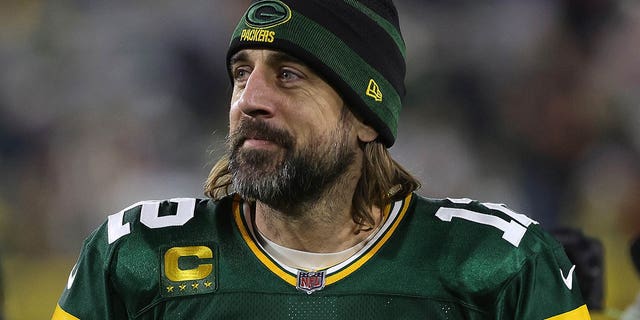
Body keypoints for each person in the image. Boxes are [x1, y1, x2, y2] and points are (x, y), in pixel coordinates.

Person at [52, 0, 592, 319]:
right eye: (243, 71)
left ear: (365, 118)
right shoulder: (134, 257)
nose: (250, 99)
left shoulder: (499, 264)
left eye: (289, 74)